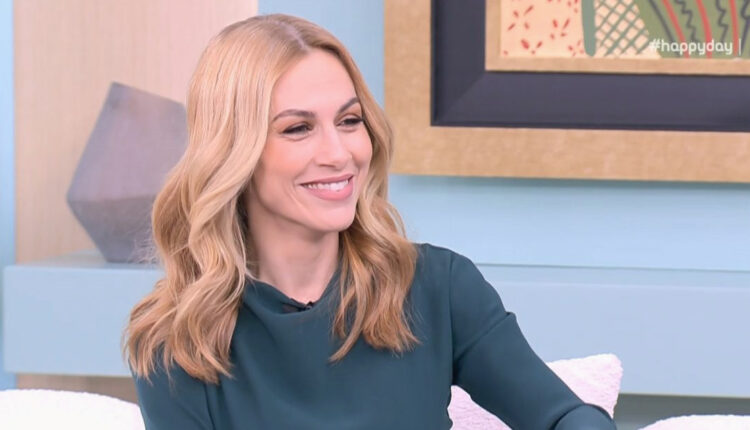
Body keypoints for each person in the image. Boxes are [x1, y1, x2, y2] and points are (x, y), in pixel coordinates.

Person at [124, 13, 617, 430]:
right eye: (298, 128)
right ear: (234, 152)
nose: (339, 153)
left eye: (349, 121)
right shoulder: (178, 341)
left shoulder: (439, 288)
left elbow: (561, 415)